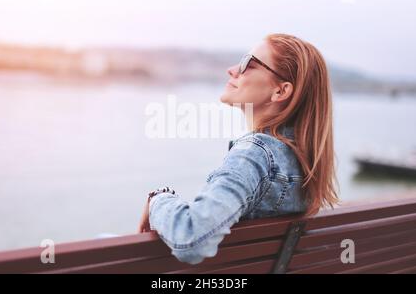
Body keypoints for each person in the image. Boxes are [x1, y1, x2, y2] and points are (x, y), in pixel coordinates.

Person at [138, 33, 340, 265]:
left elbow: (191, 239)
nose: (233, 70)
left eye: (248, 64)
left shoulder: (255, 154)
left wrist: (158, 199)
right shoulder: (305, 161)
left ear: (280, 91)